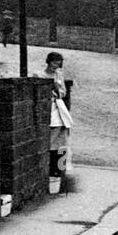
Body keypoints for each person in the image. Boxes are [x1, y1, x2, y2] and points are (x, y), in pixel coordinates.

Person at [36, 52, 73, 184]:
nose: (55, 65)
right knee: (50, 142)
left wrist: (58, 89)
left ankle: (60, 172)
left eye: (58, 63)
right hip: (48, 108)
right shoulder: (40, 75)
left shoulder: (59, 75)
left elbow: (63, 92)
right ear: (48, 62)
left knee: (62, 143)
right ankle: (50, 172)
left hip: (58, 109)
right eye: (53, 62)